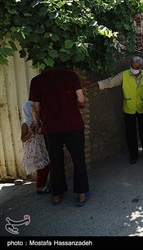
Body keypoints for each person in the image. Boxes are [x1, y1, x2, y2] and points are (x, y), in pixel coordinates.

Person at [29, 67, 90, 207]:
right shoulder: (71, 76)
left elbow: (36, 108)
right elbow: (81, 99)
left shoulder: (37, 81)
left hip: (51, 128)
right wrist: (81, 105)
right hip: (73, 125)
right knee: (78, 160)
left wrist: (37, 124)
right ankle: (81, 194)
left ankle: (57, 195)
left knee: (55, 162)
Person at [97, 56, 143, 165]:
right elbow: (111, 81)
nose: (135, 69)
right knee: (130, 134)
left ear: (141, 66)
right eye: (133, 67)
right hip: (129, 108)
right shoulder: (124, 75)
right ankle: (133, 155)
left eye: (137, 67)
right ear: (130, 66)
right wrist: (99, 84)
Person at [20, 100, 50, 195]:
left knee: (45, 165)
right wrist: (31, 131)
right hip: (34, 149)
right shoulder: (26, 124)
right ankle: (40, 187)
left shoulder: (38, 120)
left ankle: (42, 184)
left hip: (41, 145)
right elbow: (23, 139)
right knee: (41, 167)